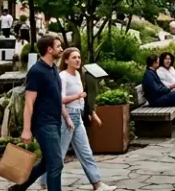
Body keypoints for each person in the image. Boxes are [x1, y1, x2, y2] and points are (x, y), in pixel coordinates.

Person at [10, 35, 67, 191]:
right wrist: (26, 130)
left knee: (47, 163)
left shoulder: (53, 68)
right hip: (43, 124)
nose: (61, 49)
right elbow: (29, 103)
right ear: (49, 49)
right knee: (56, 164)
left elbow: (56, 96)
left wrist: (66, 118)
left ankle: (19, 188)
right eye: (58, 46)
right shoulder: (36, 71)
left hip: (55, 122)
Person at [56, 48, 117, 191]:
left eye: (79, 57)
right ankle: (46, 182)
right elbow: (60, 100)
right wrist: (77, 97)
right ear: (66, 60)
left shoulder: (78, 74)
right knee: (59, 154)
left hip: (78, 116)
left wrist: (88, 112)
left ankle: (97, 184)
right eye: (73, 57)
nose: (77, 60)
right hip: (68, 117)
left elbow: (83, 97)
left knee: (86, 152)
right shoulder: (63, 76)